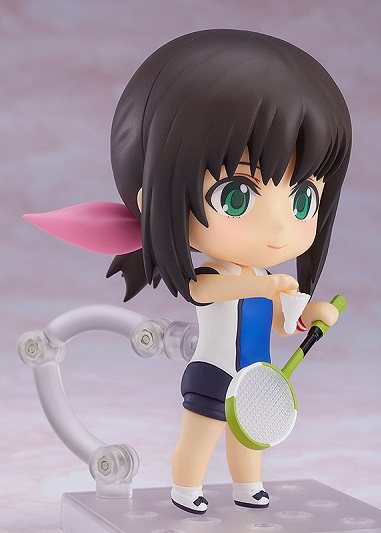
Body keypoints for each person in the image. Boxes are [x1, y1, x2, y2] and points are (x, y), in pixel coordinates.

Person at [25, 30, 352, 514]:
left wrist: (311, 315)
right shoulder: (218, 276)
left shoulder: (268, 278)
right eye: (237, 195)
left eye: (303, 199)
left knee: (249, 440)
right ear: (153, 197)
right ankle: (185, 488)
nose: (281, 227)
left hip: (257, 373)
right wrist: (267, 285)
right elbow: (204, 292)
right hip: (214, 370)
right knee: (202, 432)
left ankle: (248, 487)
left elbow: (284, 325)